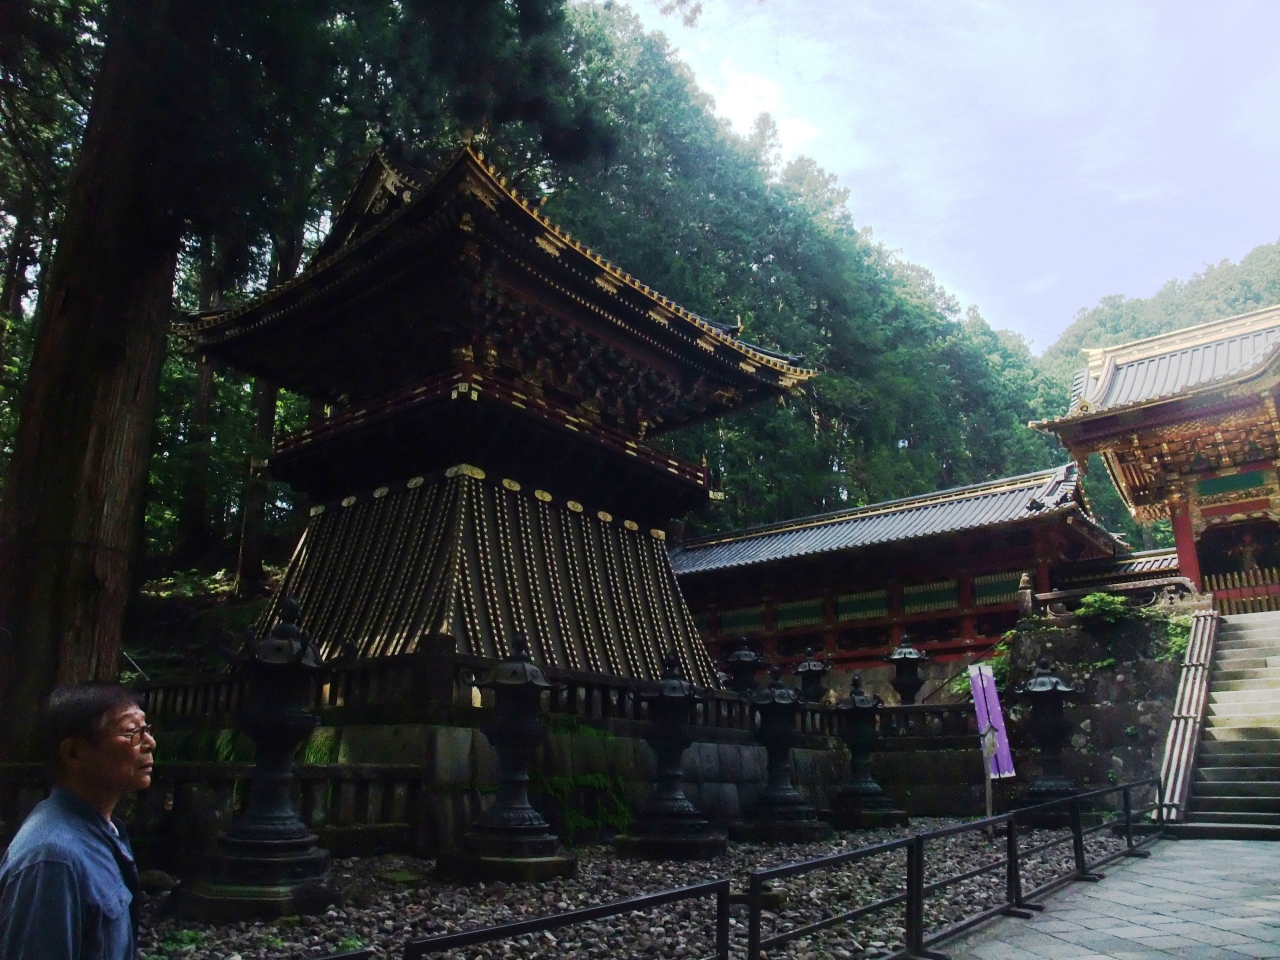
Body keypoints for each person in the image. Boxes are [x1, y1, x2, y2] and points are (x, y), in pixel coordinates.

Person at [0, 683, 156, 960]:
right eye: (132, 732)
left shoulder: (103, 830)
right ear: (74, 753)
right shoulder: (53, 859)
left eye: (147, 730)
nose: (149, 743)